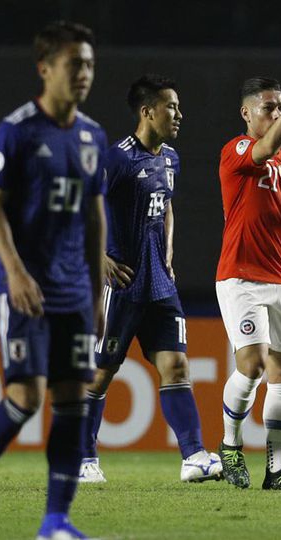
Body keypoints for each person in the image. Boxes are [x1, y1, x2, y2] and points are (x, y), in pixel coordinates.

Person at [0, 21, 107, 539]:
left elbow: (94, 217)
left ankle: (55, 522)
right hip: (26, 286)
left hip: (72, 290)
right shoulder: (16, 130)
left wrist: (96, 292)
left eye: (88, 63)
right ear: (46, 69)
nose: (84, 73)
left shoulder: (92, 135)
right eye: (74, 64)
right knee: (27, 398)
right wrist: (16, 271)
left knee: (71, 401)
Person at [77, 74, 221, 485]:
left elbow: (166, 205)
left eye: (177, 107)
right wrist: (100, 257)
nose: (179, 114)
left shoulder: (170, 158)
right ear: (147, 112)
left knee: (176, 365)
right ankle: (83, 458)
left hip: (160, 283)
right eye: (171, 106)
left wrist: (169, 249)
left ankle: (193, 455)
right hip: (122, 284)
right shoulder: (118, 159)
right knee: (101, 373)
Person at [215, 55, 281, 490]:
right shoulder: (237, 151)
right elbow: (266, 148)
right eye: (268, 107)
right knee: (253, 364)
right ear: (246, 113)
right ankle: (230, 444)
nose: (274, 113)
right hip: (240, 277)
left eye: (279, 107)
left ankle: (277, 469)